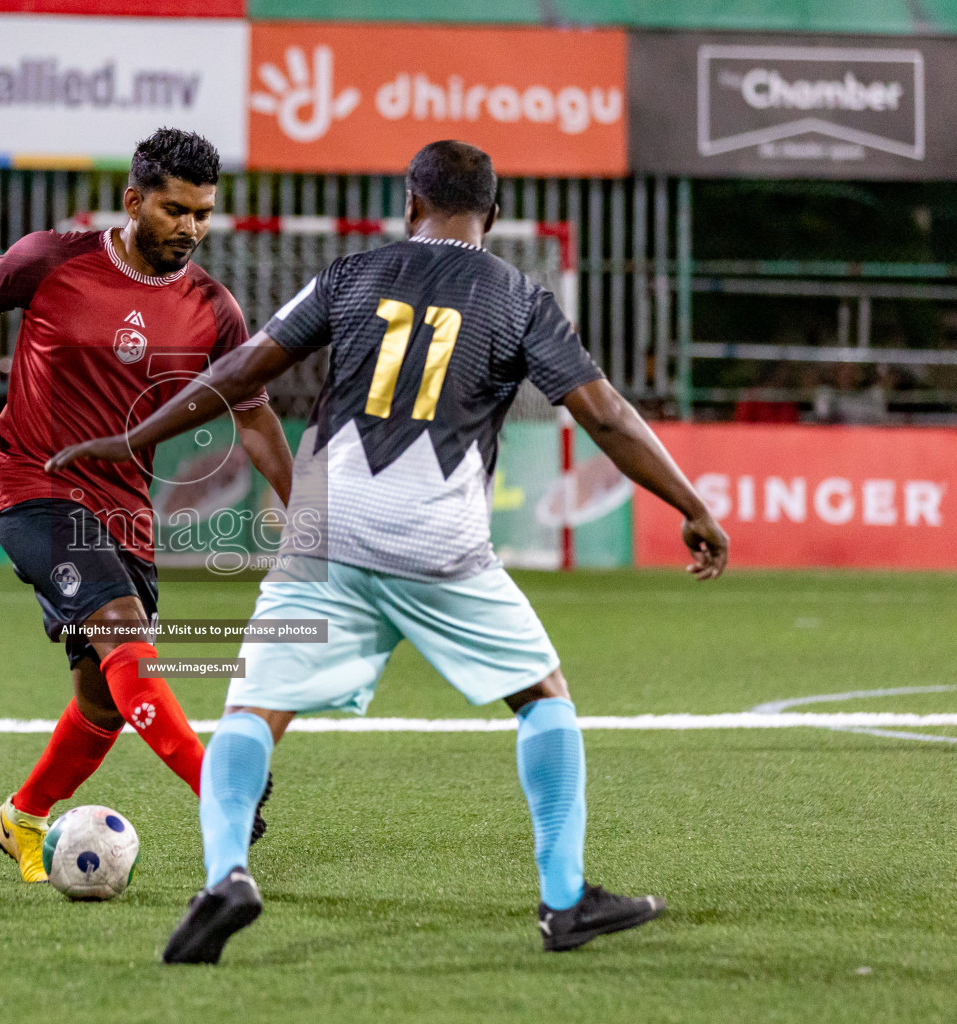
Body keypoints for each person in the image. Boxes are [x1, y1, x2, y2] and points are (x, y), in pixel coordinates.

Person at [47, 140, 730, 961]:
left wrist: (136, 437)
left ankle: (225, 876)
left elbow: (238, 370)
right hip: (435, 535)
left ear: (410, 205)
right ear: (496, 217)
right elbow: (607, 416)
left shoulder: (351, 275)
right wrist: (690, 504)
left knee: (251, 710)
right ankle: (564, 900)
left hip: (326, 527)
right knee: (542, 695)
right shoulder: (520, 298)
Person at [0, 128, 294, 883]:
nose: (191, 229)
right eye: (174, 210)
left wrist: (307, 517)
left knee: (104, 699)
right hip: (30, 484)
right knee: (124, 634)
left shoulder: (212, 309)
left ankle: (22, 818)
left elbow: (256, 418)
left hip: (126, 510)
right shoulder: (52, 258)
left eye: (203, 213)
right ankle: (217, 790)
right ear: (133, 201)